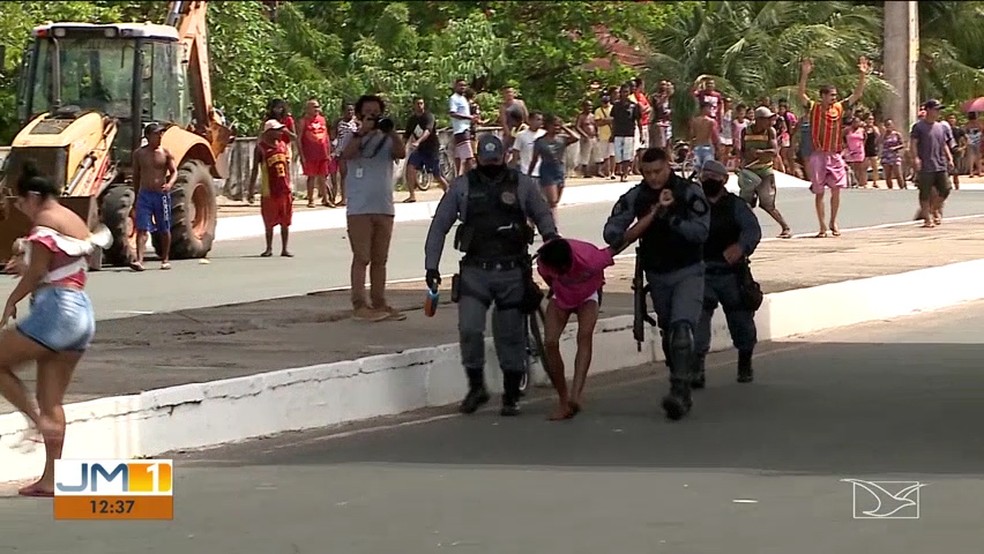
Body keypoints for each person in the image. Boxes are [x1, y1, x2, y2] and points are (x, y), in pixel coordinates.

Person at [424, 135, 559, 416]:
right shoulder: (462, 186)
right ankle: (477, 387)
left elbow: (543, 214)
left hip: (512, 272)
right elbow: (439, 226)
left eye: (495, 161)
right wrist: (431, 267)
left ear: (504, 157)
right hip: (476, 272)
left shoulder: (522, 184)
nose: (491, 166)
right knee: (470, 329)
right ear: (477, 160)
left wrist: (552, 242)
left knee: (510, 337)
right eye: (486, 161)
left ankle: (511, 394)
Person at [0, 161, 109, 497]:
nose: (22, 210)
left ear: (34, 197)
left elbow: (37, 274)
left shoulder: (45, 221)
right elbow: (59, 266)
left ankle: (35, 421)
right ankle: (50, 479)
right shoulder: (72, 219)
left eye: (21, 203)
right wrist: (26, 266)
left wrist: (11, 301)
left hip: (57, 310)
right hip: (80, 313)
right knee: (52, 402)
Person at [603, 147, 710, 421]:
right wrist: (635, 223)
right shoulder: (637, 196)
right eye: (647, 172)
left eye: (658, 171)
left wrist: (671, 218)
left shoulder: (688, 192)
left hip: (688, 270)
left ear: (668, 166)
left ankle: (679, 391)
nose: (653, 177)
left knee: (682, 328)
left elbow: (700, 232)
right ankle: (679, 377)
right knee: (669, 333)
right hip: (657, 274)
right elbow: (613, 230)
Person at [691, 160, 762, 388]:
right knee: (698, 322)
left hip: (731, 274)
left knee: (741, 321)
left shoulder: (735, 205)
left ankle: (745, 362)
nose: (709, 180)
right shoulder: (693, 205)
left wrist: (741, 247)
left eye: (714, 177)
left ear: (724, 180)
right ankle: (697, 369)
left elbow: (752, 230)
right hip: (701, 272)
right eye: (705, 176)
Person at [341, 94, 408, 322]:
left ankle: (379, 302)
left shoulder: (386, 137)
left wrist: (391, 132)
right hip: (359, 207)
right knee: (362, 257)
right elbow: (346, 155)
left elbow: (401, 153)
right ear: (360, 114)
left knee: (380, 259)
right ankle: (359, 304)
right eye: (368, 112)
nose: (373, 115)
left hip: (384, 206)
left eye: (376, 112)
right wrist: (362, 133)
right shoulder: (351, 135)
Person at [536, 238, 614, 420]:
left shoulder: (591, 258)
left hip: (588, 293)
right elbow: (548, 278)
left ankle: (575, 396)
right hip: (562, 292)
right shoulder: (544, 261)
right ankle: (563, 400)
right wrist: (557, 286)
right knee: (550, 342)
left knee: (584, 336)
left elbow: (625, 240)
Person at [797, 56, 870, 237]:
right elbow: (801, 95)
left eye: (835, 96)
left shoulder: (838, 108)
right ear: (823, 96)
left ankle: (833, 222)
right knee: (819, 192)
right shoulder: (814, 107)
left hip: (835, 155)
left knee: (836, 190)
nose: (834, 98)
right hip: (818, 155)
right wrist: (804, 74)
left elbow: (856, 95)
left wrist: (862, 75)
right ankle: (822, 226)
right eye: (831, 95)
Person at [739, 106, 792, 238]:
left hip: (765, 172)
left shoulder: (770, 131)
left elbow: (774, 152)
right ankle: (749, 230)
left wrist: (758, 153)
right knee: (745, 204)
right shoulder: (746, 131)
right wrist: (744, 160)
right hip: (750, 172)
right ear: (759, 120)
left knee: (767, 204)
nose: (770, 122)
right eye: (767, 119)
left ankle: (785, 227)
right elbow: (742, 150)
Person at [131, 122, 178, 271]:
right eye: (156, 134)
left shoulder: (165, 153)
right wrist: (136, 195)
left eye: (160, 134)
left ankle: (165, 259)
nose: (159, 136)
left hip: (161, 195)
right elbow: (136, 175)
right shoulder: (139, 154)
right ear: (148, 136)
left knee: (164, 228)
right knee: (142, 228)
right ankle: (139, 260)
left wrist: (169, 184)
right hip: (145, 195)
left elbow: (174, 172)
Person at [248, 119, 295, 257]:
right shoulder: (261, 148)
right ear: (268, 132)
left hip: (284, 189)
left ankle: (285, 248)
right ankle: (269, 248)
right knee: (269, 221)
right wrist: (251, 190)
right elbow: (254, 170)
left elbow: (287, 168)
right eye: (277, 130)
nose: (280, 133)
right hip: (269, 191)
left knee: (285, 221)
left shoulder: (283, 146)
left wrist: (290, 186)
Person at [910, 99, 954, 228]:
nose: (938, 112)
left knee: (946, 189)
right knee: (925, 192)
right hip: (926, 164)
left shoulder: (941, 127)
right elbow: (913, 143)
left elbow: (943, 144)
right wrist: (915, 158)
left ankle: (934, 208)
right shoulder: (919, 127)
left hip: (940, 163)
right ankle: (927, 218)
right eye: (936, 109)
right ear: (928, 110)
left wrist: (949, 158)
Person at [403, 97, 449, 203]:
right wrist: (401, 149)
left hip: (432, 149)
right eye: (418, 103)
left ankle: (448, 192)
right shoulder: (412, 120)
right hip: (420, 150)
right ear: (413, 105)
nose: (420, 106)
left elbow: (427, 131)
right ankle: (412, 195)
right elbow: (406, 136)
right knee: (410, 167)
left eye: (421, 103)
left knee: (437, 174)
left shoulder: (428, 116)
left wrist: (418, 141)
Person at [298, 97, 333, 208]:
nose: (316, 109)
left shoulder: (322, 119)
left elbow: (326, 136)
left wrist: (329, 152)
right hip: (310, 154)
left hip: (323, 153)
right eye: (314, 107)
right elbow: (299, 139)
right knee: (311, 177)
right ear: (307, 109)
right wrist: (301, 155)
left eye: (318, 107)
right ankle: (310, 199)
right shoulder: (303, 121)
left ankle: (325, 199)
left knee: (323, 177)